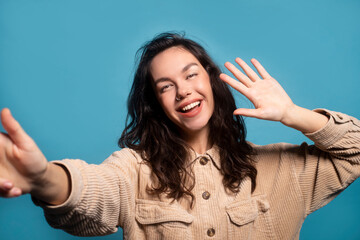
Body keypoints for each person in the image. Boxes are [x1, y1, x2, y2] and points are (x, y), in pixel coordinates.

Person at [0, 32, 359, 239]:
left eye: (190, 75)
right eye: (165, 86)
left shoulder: (282, 168)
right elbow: (93, 194)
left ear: (212, 80)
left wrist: (292, 114)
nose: (183, 91)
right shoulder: (133, 169)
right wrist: (43, 179)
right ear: (156, 104)